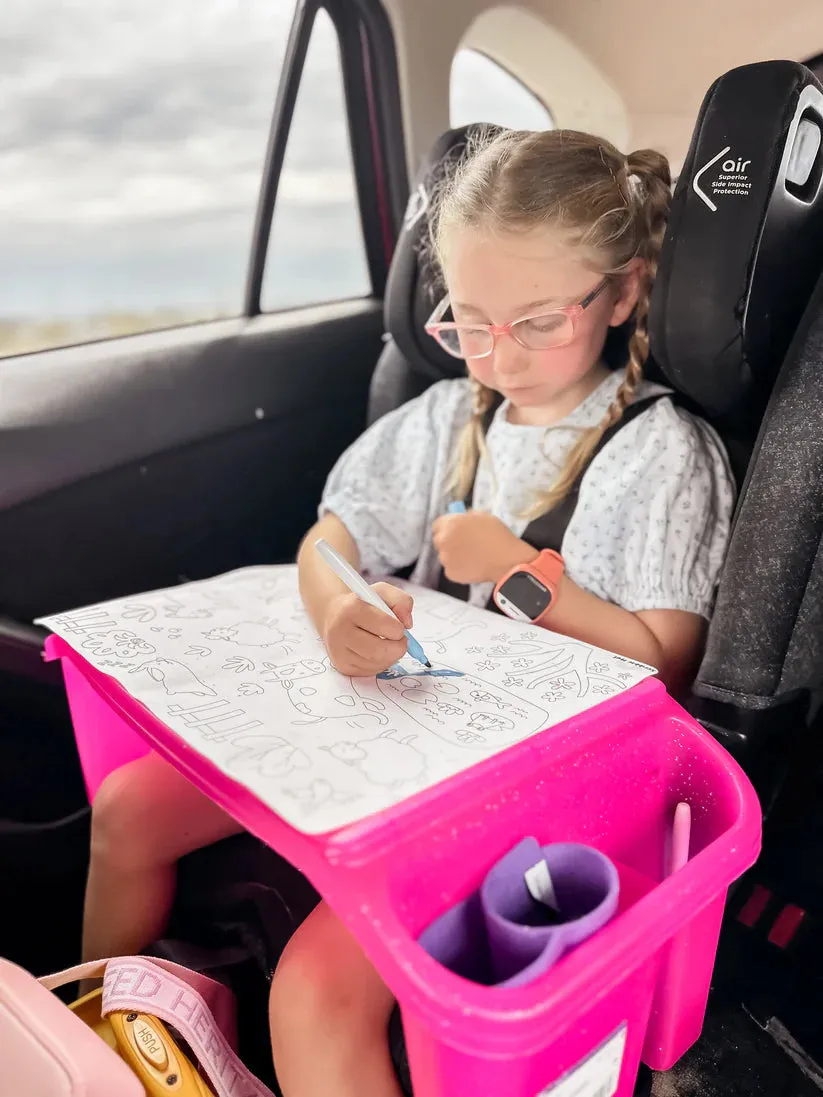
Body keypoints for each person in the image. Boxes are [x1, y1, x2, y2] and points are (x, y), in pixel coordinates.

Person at [79, 128, 734, 1094]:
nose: (498, 357)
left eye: (536, 322)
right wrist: (341, 606)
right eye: (470, 324)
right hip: (405, 730)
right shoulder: (445, 419)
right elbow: (325, 541)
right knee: (128, 808)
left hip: (546, 771)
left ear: (624, 292)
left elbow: (662, 666)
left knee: (312, 990)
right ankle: (88, 1036)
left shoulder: (659, 452)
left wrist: (521, 572)